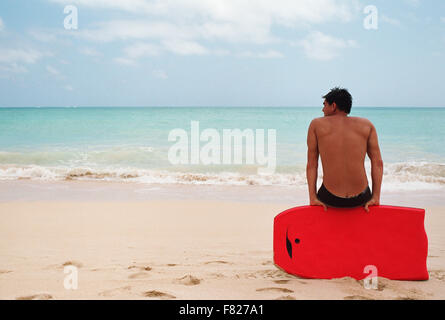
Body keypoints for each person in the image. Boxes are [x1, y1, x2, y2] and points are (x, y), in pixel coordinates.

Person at [306, 87, 383, 212]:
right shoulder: (367, 125)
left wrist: (313, 197)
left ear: (334, 106)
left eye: (324, 104)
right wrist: (375, 197)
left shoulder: (316, 125)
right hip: (362, 197)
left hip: (329, 197)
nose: (322, 109)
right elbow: (378, 163)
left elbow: (311, 164)